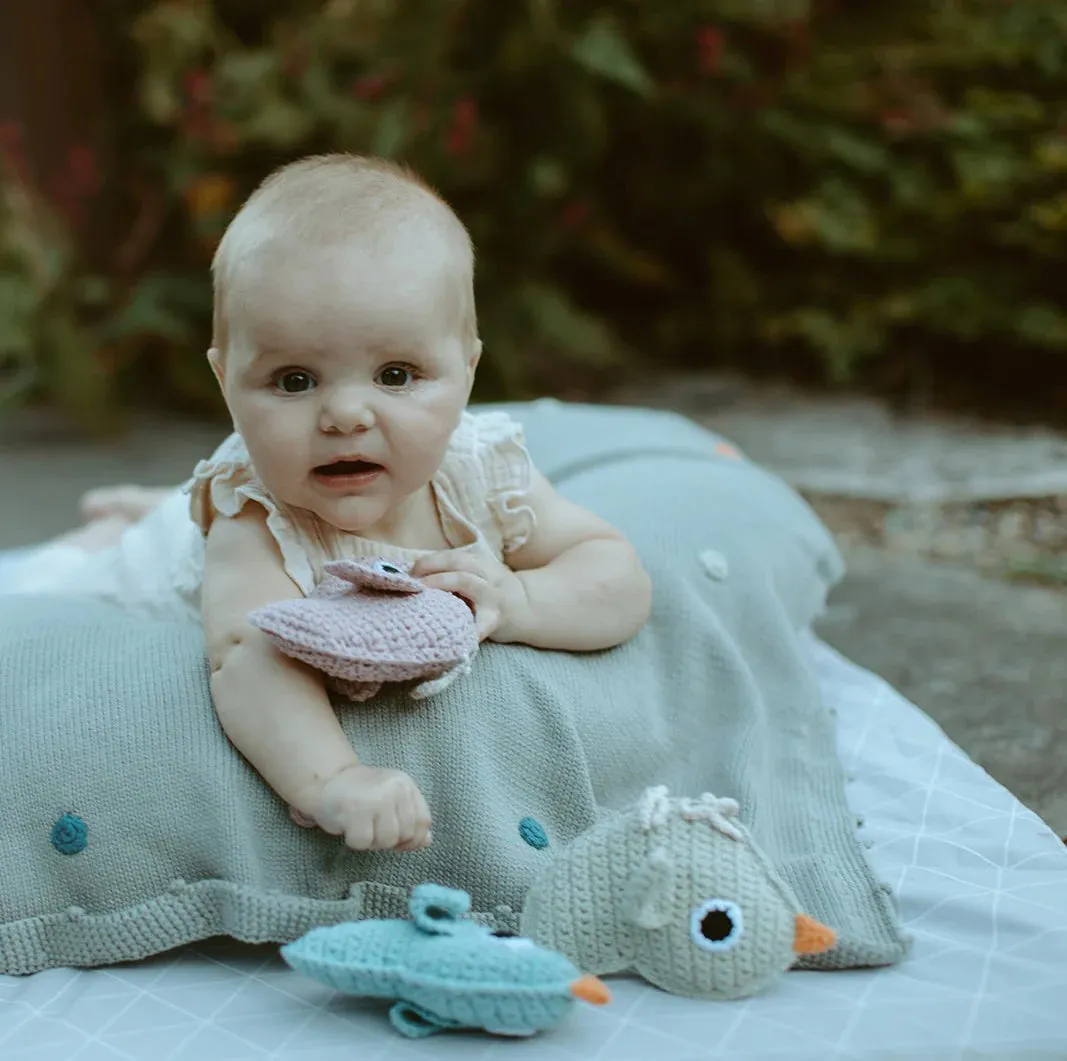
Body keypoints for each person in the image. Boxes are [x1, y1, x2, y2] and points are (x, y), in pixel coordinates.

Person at [6, 154, 653, 854]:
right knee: (63, 575)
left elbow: (614, 571)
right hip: (162, 571)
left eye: (396, 375)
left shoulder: (482, 471)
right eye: (293, 380)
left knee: (159, 513)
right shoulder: (252, 515)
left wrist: (521, 599)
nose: (345, 413)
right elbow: (245, 656)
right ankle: (125, 527)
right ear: (226, 382)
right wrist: (333, 779)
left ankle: (145, 503)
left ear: (466, 370)